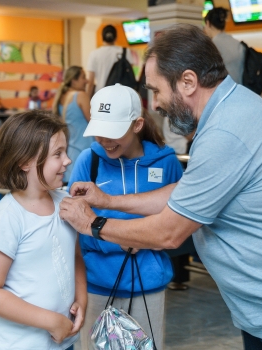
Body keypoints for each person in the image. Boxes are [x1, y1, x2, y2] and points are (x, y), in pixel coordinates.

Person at [59, 24, 262, 350]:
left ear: (188, 81)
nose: (155, 104)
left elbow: (168, 232)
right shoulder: (231, 109)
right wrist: (110, 200)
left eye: (157, 91)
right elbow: (186, 194)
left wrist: (94, 223)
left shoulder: (225, 132)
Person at [68, 84, 183, 350]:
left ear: (137, 124)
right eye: (100, 132)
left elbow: (179, 224)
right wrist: (116, 240)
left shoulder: (166, 163)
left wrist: (146, 240)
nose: (105, 141)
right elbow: (74, 224)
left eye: (113, 132)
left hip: (149, 286)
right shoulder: (89, 161)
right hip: (97, 285)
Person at [0, 111, 86, 349]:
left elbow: (75, 257)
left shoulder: (63, 203)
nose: (67, 160)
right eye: (58, 154)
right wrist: (51, 321)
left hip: (63, 342)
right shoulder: (6, 220)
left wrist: (82, 300)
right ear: (24, 162)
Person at [53, 66, 94, 183]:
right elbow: (93, 123)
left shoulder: (61, 97)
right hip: (85, 150)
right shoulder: (80, 95)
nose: (86, 81)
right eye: (83, 77)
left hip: (70, 151)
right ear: (73, 80)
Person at [86, 25, 133, 97]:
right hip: (120, 95)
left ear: (102, 37)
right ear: (116, 37)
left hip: (101, 94)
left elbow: (90, 82)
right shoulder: (125, 52)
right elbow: (130, 74)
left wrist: (87, 99)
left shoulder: (94, 54)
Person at [204, 7, 245, 85]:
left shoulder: (211, 46)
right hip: (240, 90)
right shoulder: (238, 44)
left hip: (223, 92)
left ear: (208, 23)